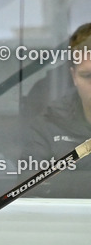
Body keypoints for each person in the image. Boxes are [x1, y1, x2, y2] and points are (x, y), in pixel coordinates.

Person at [23, 22, 91, 197]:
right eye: (88, 76)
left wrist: (64, 180)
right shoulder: (48, 125)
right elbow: (28, 190)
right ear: (73, 76)